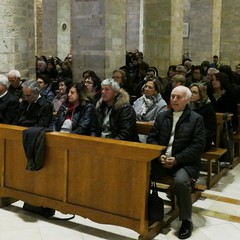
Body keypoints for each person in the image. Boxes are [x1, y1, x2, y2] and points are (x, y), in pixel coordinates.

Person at [147, 85, 206, 239]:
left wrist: (177, 159)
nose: (174, 99)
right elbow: (152, 138)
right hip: (161, 160)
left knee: (180, 182)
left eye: (178, 97)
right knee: (140, 174)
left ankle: (186, 220)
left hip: (184, 163)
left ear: (187, 100)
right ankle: (144, 212)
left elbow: (198, 146)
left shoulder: (196, 119)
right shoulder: (162, 116)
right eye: (172, 96)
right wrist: (159, 155)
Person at [190, 83, 216, 151]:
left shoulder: (208, 108)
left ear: (201, 94)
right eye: (190, 92)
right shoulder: (187, 106)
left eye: (194, 92)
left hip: (202, 140)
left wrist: (195, 136)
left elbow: (210, 130)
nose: (191, 94)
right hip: (188, 137)